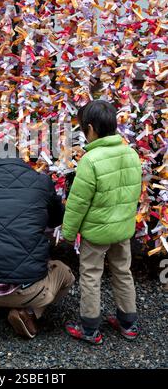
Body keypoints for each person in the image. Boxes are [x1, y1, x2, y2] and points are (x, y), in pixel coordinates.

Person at [0, 143, 75, 339]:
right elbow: (56, 219)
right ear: (20, 159)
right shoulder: (41, 182)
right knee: (65, 274)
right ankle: (29, 313)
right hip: (27, 289)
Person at [62, 100, 142, 345]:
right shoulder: (131, 153)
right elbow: (133, 193)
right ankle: (128, 323)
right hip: (122, 230)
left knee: (91, 275)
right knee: (122, 272)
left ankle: (90, 328)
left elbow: (78, 202)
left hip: (96, 232)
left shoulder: (91, 160)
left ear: (91, 128)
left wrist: (68, 232)